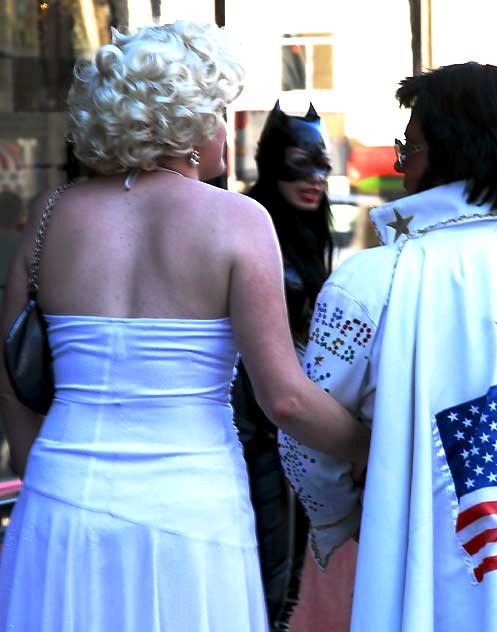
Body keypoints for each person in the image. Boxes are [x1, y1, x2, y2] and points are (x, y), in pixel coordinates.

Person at [0, 22, 368, 631]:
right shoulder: (237, 220)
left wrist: (43, 470)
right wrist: (370, 446)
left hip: (61, 493)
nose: (225, 129)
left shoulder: (50, 214)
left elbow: (14, 382)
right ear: (190, 125)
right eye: (218, 112)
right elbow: (285, 397)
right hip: (190, 506)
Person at [279, 62, 497, 631]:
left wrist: (343, 517)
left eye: (410, 147)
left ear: (451, 153)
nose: (401, 165)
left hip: (431, 578)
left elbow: (304, 439)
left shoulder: (377, 280)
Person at [232, 101, 332, 631]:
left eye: (323, 163)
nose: (315, 176)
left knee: (285, 579)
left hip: (288, 432)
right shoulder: (252, 226)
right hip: (259, 435)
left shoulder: (305, 236)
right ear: (273, 161)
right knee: (270, 580)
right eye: (301, 160)